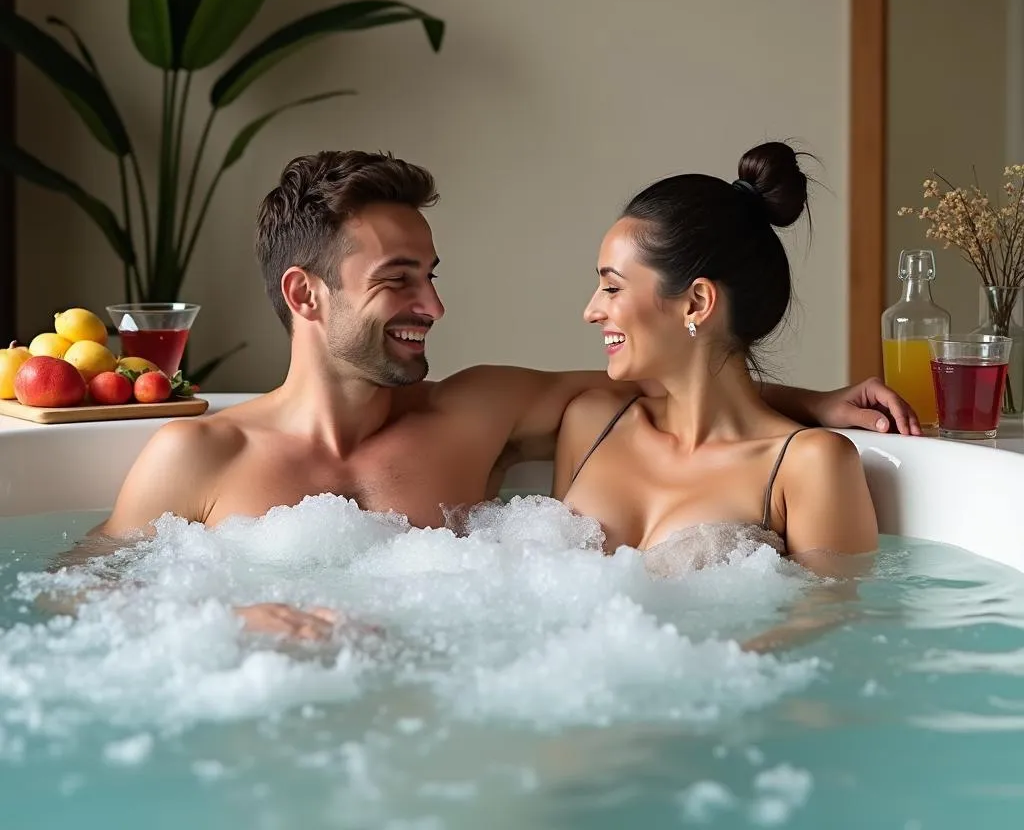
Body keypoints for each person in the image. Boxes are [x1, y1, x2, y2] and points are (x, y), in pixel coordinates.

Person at [87, 150, 912, 637]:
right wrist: (227, 624)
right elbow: (74, 599)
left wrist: (814, 402)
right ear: (305, 296)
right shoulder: (195, 456)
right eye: (398, 281)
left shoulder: (477, 411)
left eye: (432, 277)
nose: (434, 307)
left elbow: (688, 379)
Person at [552, 141, 878, 580]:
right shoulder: (589, 423)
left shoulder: (809, 465)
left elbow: (831, 628)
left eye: (612, 288)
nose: (591, 311)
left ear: (697, 302)